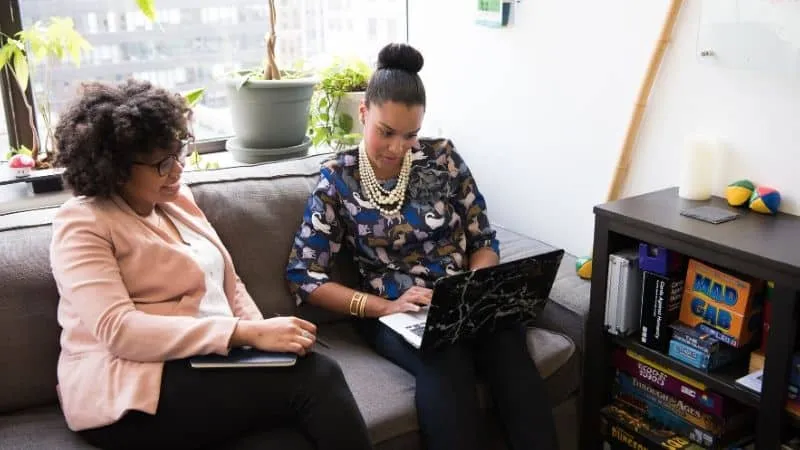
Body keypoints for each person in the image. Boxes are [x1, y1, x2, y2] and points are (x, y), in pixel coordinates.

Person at [49, 79, 373, 450]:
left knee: (297, 397)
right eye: (162, 163)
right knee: (318, 378)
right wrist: (244, 335)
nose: (177, 170)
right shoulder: (82, 223)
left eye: (179, 151)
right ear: (117, 168)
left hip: (202, 362)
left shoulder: (175, 200)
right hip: (127, 387)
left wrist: (265, 342)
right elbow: (119, 330)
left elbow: (230, 284)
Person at [286, 43, 559, 450]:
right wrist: (385, 306)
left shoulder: (444, 160)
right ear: (364, 113)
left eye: (410, 134)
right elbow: (304, 277)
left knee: (507, 341)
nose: (399, 147)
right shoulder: (337, 181)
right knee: (444, 356)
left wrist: (477, 287)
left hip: (460, 298)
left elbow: (482, 238)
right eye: (386, 132)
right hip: (394, 311)